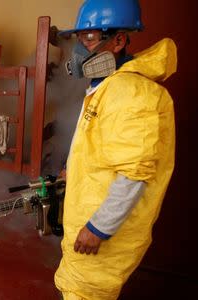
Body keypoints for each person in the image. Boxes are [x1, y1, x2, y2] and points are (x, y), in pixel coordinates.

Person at [54, 0, 177, 299]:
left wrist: (98, 229)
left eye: (91, 38)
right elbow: (98, 144)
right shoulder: (107, 85)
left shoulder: (131, 92)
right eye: (80, 38)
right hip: (87, 211)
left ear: (119, 40)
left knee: (84, 292)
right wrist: (73, 170)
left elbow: (135, 174)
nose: (81, 48)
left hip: (100, 229)